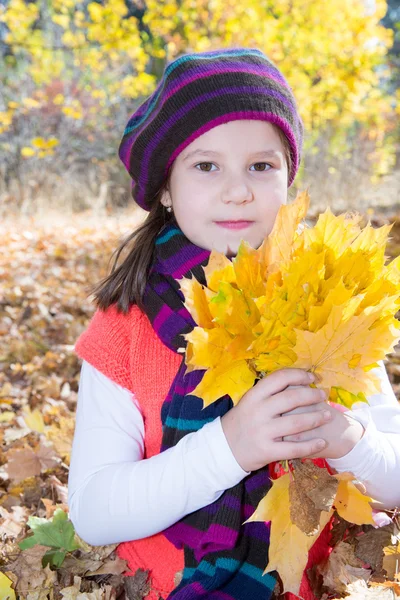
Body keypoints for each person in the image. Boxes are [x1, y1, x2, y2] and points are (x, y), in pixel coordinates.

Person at [67, 48, 400, 600]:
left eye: (261, 166)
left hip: (316, 583)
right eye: (206, 165)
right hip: (164, 583)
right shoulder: (127, 329)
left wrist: (347, 441)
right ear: (166, 190)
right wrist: (230, 448)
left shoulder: (330, 306)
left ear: (288, 177)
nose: (238, 189)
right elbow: (95, 513)